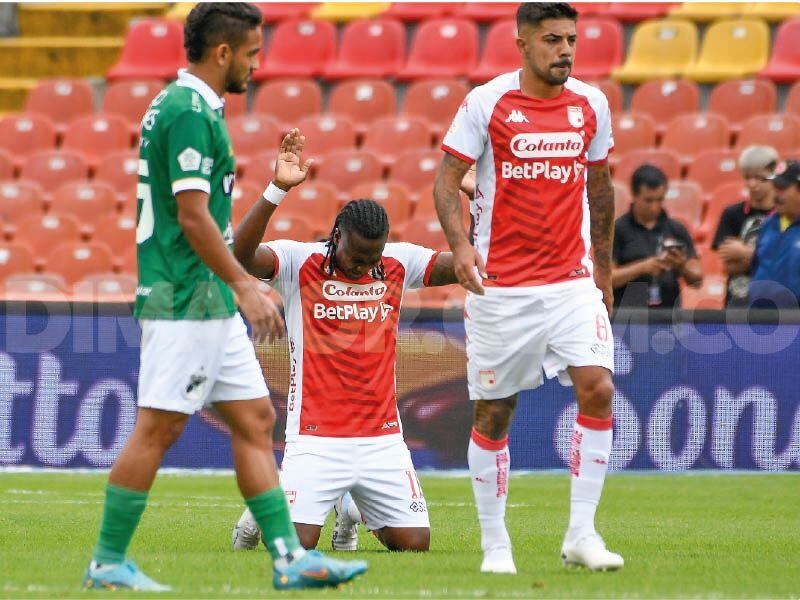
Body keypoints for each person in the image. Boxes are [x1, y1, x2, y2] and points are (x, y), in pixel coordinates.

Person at [82, 3, 366, 591]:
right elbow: (191, 216)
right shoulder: (188, 111)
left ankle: (291, 558)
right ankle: (107, 560)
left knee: (257, 419)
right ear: (223, 53)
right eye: (253, 54)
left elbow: (205, 214)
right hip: (187, 299)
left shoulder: (190, 106)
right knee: (157, 431)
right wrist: (243, 283)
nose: (256, 66)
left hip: (208, 301)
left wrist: (268, 198)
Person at [434, 1, 623, 574]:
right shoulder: (486, 103)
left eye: (571, 39)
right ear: (522, 43)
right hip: (502, 291)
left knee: (598, 389)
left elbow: (601, 189)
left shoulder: (592, 104)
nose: (564, 50)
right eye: (551, 40)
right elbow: (445, 184)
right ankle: (496, 545)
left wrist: (605, 272)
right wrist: (462, 248)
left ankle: (582, 534)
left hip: (570, 284)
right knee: (495, 413)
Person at [229, 129, 460, 554]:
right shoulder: (300, 262)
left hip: (382, 438)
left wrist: (480, 208)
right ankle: (259, 510)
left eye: (373, 259)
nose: (364, 267)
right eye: (356, 256)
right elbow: (240, 255)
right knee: (296, 544)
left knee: (414, 545)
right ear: (336, 237)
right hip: (315, 437)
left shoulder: (396, 263)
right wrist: (276, 189)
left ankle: (352, 508)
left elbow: (461, 265)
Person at [612, 165, 703, 308]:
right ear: (634, 195)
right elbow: (606, 279)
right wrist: (643, 267)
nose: (654, 207)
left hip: (668, 318)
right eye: (648, 200)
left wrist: (681, 266)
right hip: (627, 319)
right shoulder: (618, 230)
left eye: (660, 200)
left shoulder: (677, 229)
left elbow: (697, 280)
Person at [712, 145, 778, 306]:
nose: (752, 184)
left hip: (776, 304)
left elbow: (783, 266)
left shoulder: (785, 215)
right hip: (739, 302)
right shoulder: (732, 214)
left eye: (760, 178)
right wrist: (765, 259)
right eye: (748, 177)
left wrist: (745, 253)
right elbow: (728, 266)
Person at [749, 160, 800, 308]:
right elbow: (756, 265)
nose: (776, 195)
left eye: (782, 188)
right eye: (775, 187)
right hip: (761, 319)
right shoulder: (769, 224)